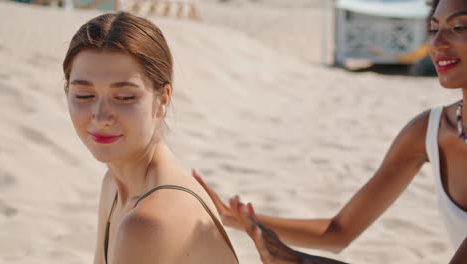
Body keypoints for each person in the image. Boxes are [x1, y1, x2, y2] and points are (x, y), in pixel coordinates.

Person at [193, 0, 467, 263]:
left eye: (459, 27)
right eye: (433, 29)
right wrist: (230, 216)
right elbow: (337, 232)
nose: (438, 42)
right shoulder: (428, 131)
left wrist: (300, 261)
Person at [62, 12, 240, 264]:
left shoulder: (149, 222)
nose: (100, 117)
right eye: (83, 95)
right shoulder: (113, 184)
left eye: (124, 97)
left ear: (163, 100)